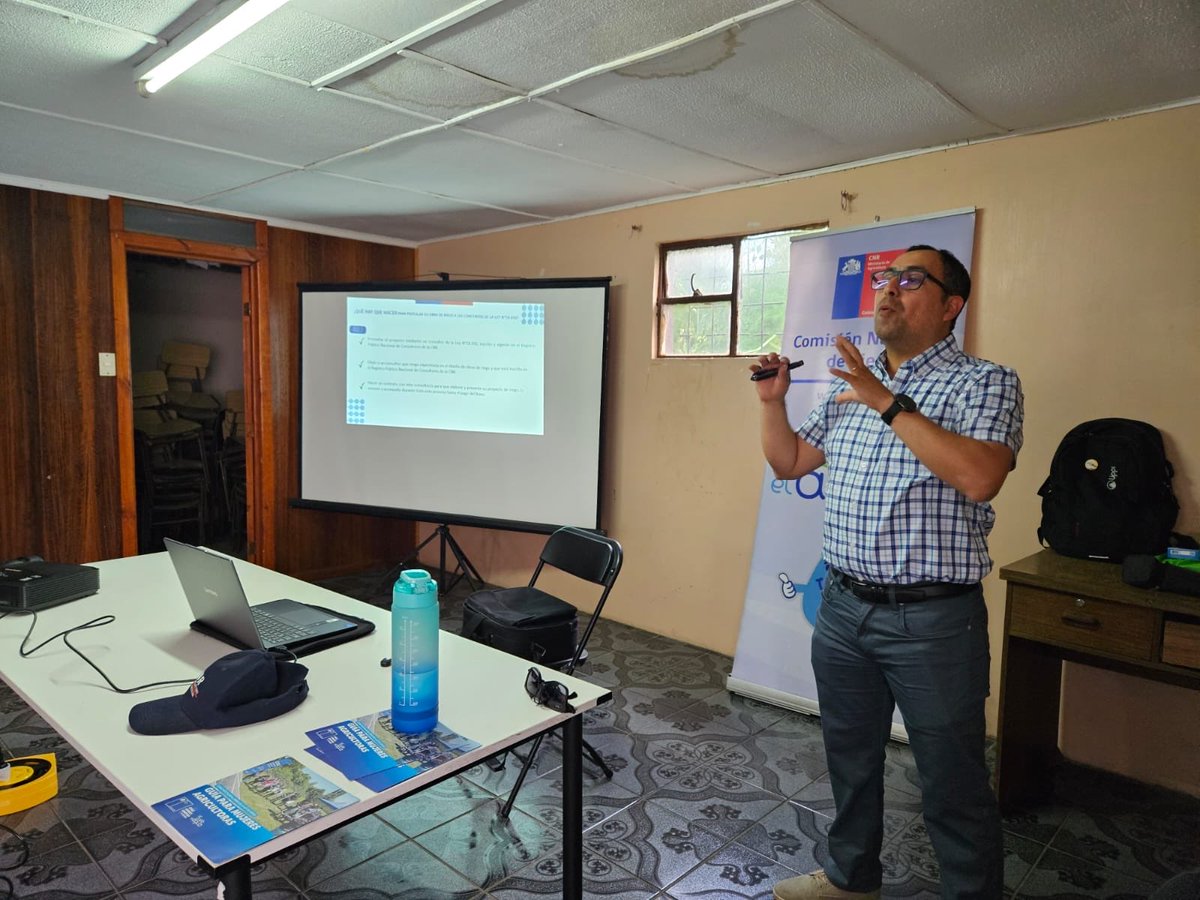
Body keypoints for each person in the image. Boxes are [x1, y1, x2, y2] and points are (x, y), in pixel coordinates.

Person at [753, 245, 1024, 900]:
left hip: (933, 620)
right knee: (850, 761)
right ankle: (852, 876)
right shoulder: (853, 383)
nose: (888, 291)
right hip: (843, 609)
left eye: (910, 280)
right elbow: (790, 462)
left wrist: (885, 399)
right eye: (884, 279)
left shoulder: (985, 382)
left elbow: (981, 476)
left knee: (952, 783)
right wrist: (772, 403)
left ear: (950, 305)